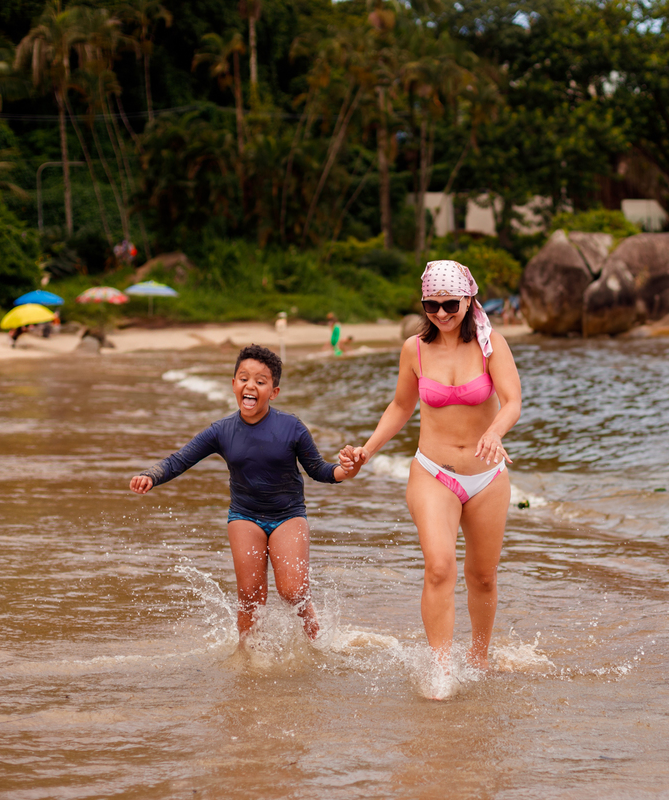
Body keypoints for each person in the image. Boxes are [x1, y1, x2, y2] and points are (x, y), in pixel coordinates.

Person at [342, 260, 522, 679]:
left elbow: (512, 400)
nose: (441, 313)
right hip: (432, 472)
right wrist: (366, 451)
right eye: (431, 305)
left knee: (482, 578)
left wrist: (495, 432)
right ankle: (441, 669)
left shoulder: (490, 343)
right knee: (439, 566)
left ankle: (479, 658)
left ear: (468, 299)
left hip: (487, 477)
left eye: (450, 304)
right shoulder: (414, 349)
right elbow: (402, 405)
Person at [129, 344, 361, 645]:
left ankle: (317, 642)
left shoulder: (291, 428)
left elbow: (320, 470)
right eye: (243, 378)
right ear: (234, 384)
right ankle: (247, 654)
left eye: (260, 381)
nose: (250, 385)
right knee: (250, 596)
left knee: (292, 592)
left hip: (288, 516)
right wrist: (151, 475)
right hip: (244, 516)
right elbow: (179, 460)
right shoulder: (221, 430)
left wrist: (348, 470)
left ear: (273, 392)